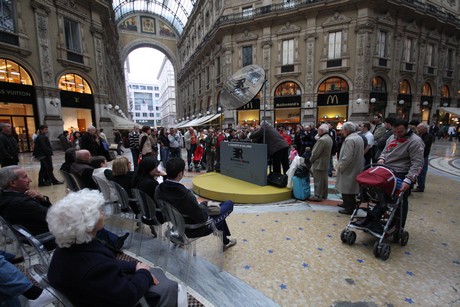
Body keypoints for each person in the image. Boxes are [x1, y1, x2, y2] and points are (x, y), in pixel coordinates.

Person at [46, 189, 179, 307]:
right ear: (89, 224)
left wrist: (134, 265)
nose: (103, 213)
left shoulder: (64, 250)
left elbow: (107, 265)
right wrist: (143, 273)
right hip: (121, 298)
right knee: (168, 286)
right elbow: (128, 296)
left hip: (91, 295)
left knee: (154, 272)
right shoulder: (94, 266)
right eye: (99, 211)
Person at [0, 166, 128, 251]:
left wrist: (41, 199)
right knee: (86, 220)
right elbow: (54, 215)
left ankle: (112, 241)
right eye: (25, 177)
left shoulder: (7, 198)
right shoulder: (19, 203)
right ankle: (110, 245)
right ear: (12, 183)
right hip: (48, 236)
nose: (29, 180)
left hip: (37, 232)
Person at [155, 158, 237, 250]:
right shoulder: (185, 195)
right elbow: (202, 218)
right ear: (180, 174)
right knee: (228, 204)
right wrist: (204, 205)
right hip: (194, 229)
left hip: (178, 224)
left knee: (216, 210)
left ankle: (225, 241)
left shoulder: (159, 189)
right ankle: (225, 242)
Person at [374, 118, 424, 229]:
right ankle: (376, 219)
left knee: (400, 201)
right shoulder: (392, 137)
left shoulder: (415, 141)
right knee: (381, 196)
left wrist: (409, 179)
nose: (397, 134)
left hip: (401, 172)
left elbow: (418, 163)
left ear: (407, 128)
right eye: (395, 131)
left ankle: (398, 227)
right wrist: (381, 159)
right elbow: (385, 152)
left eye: (400, 131)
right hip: (387, 170)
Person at [335, 122, 364, 214]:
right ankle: (346, 203)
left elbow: (347, 157)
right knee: (350, 187)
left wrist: (340, 167)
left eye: (343, 130)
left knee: (347, 188)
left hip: (349, 168)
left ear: (346, 130)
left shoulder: (350, 140)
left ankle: (349, 207)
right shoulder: (358, 137)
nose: (342, 131)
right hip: (356, 166)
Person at [308, 123, 333, 202]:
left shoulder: (322, 140)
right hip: (325, 162)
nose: (317, 131)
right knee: (324, 180)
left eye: (318, 130)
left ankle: (317, 196)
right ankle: (324, 194)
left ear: (321, 131)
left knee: (318, 180)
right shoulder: (329, 138)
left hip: (319, 163)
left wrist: (310, 161)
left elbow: (315, 153)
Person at [413, 123, 433, 192]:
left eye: (419, 128)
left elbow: (423, 145)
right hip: (418, 155)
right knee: (417, 171)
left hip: (423, 156)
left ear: (424, 129)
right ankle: (419, 185)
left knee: (422, 172)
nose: (418, 129)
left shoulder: (428, 136)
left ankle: (421, 187)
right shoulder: (419, 135)